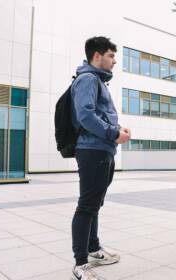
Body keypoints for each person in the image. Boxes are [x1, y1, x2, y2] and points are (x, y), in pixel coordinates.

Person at [71, 36, 130, 280]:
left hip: (102, 149)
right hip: (93, 150)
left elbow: (100, 115)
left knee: (94, 204)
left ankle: (93, 249)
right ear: (97, 56)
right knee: (87, 206)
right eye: (111, 56)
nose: (114, 61)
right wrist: (113, 133)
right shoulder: (88, 79)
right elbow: (85, 116)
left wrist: (118, 130)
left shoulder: (98, 81)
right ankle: (80, 263)